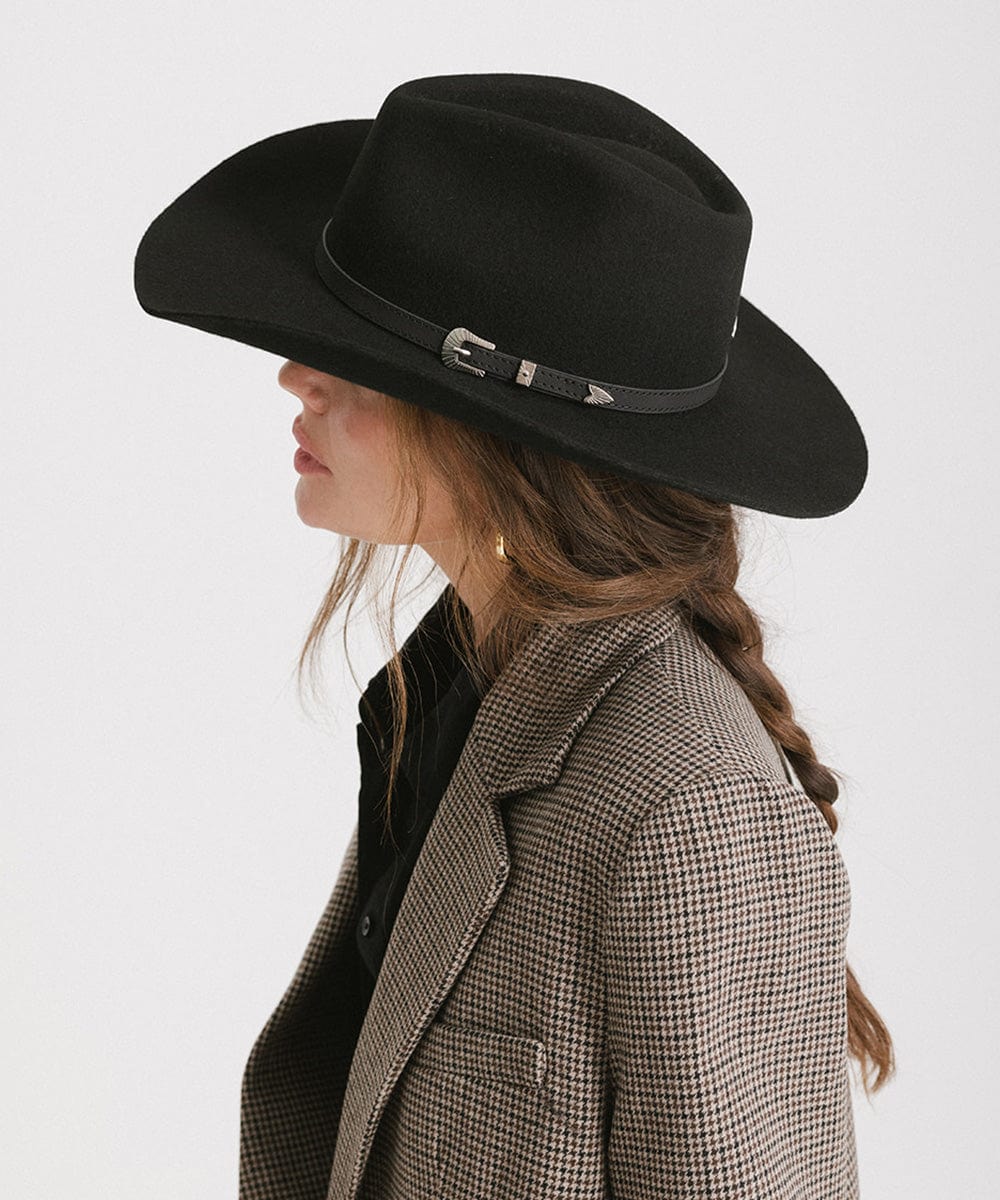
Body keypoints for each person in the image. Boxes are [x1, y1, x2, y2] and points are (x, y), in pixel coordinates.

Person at [134, 71, 893, 1200]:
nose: (296, 377)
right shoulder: (470, 690)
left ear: (501, 431)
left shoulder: (683, 804)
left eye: (356, 361)